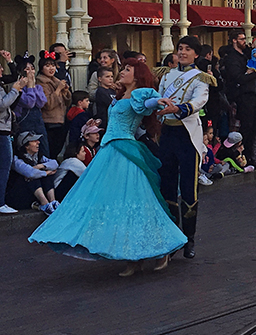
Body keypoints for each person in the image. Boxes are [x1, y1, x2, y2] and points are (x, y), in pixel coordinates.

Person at [29, 59, 187, 275]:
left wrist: (160, 101)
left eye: (127, 70)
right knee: (112, 203)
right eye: (123, 68)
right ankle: (132, 257)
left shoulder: (141, 94)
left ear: (137, 75)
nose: (122, 72)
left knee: (135, 203)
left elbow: (150, 103)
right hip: (109, 151)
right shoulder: (120, 95)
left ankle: (159, 250)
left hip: (125, 152)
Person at [155, 36, 215, 259]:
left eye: (187, 49)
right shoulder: (166, 74)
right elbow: (159, 97)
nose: (182, 52)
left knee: (188, 189)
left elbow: (200, 100)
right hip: (168, 135)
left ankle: (189, 238)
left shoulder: (200, 78)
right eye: (180, 48)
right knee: (167, 187)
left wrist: (179, 108)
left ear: (195, 54)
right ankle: (172, 239)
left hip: (187, 136)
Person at [7, 131, 59, 214]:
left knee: (44, 174)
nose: (38, 142)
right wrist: (46, 173)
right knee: (33, 176)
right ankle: (45, 204)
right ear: (26, 146)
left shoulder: (38, 156)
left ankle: (52, 201)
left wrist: (40, 166)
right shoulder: (16, 160)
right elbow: (31, 173)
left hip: (31, 194)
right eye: (34, 141)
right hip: (16, 196)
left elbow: (55, 163)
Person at [0, 71, 29, 214]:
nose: (1, 70)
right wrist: (14, 90)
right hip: (1, 131)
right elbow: (2, 104)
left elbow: (14, 75)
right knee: (4, 167)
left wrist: (17, 90)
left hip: (4, 130)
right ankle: (0, 203)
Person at [36, 52, 71, 160]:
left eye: (52, 65)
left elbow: (67, 102)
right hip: (49, 122)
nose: (51, 68)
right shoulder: (40, 82)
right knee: (50, 152)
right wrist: (58, 89)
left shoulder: (56, 81)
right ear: (41, 68)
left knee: (56, 151)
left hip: (60, 121)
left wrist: (65, 92)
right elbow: (48, 104)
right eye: (47, 66)